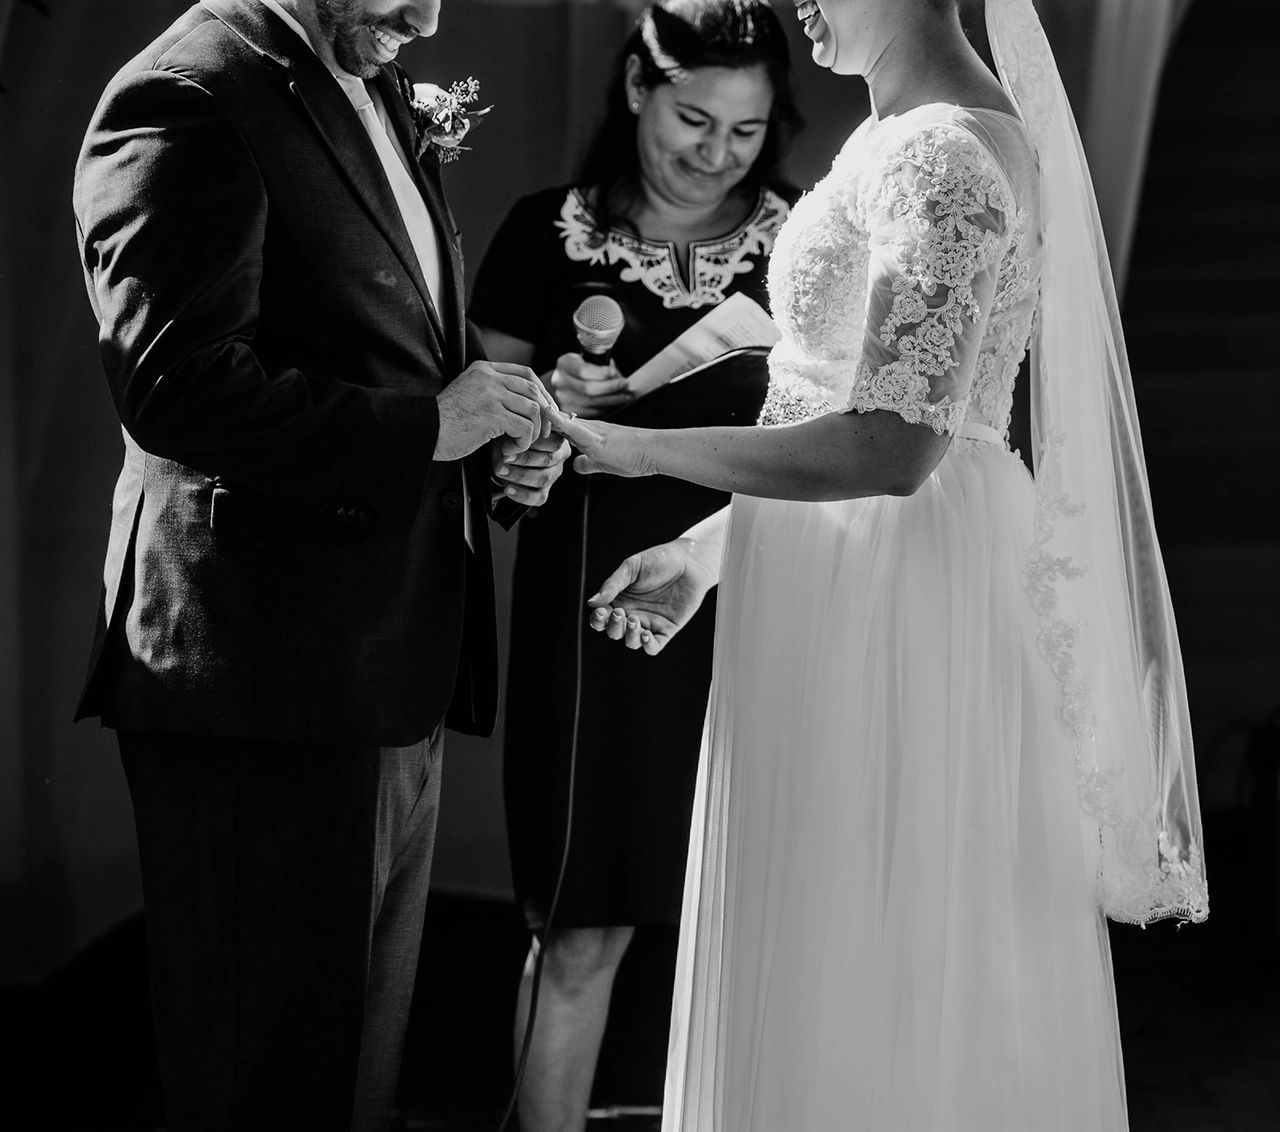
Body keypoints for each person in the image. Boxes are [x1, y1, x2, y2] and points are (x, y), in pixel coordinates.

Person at [553, 0, 1209, 1126]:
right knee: (823, 928)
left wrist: (626, 449)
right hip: (838, 579)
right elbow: (852, 391)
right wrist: (713, 547)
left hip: (898, 606)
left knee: (881, 938)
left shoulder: (947, 149)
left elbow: (899, 447)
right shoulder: (890, 133)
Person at [71, 1, 568, 1128]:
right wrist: (422, 434)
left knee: (351, 1076)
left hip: (381, 668)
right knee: (268, 1081)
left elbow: (389, 338)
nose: (427, 14)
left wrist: (488, 444)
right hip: (264, 680)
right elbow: (174, 389)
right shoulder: (187, 96)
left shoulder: (358, 68)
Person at [467, 2, 799, 1125]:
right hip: (597, 619)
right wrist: (536, 420)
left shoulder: (806, 240)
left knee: (766, 923)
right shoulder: (535, 238)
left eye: (744, 133)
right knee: (581, 924)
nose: (713, 153)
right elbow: (473, 451)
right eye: (692, 119)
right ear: (635, 92)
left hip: (764, 601)